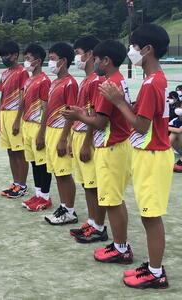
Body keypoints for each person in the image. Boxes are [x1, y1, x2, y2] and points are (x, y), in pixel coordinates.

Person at [99, 24, 172, 289]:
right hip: (149, 153)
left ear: (148, 49)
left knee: (151, 217)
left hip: (152, 154)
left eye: (134, 47)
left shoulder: (153, 83)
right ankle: (153, 267)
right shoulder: (155, 80)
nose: (131, 51)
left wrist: (118, 102)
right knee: (148, 215)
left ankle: (156, 273)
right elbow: (143, 119)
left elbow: (140, 126)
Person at [63, 40, 133, 263]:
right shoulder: (116, 80)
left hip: (112, 146)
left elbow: (101, 122)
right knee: (111, 198)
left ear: (106, 61)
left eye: (96, 59)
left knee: (113, 200)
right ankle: (117, 243)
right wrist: (83, 112)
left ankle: (121, 247)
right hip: (113, 146)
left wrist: (77, 116)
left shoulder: (109, 84)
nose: (93, 63)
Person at [69, 36, 108, 243]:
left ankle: (99, 227)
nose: (76, 57)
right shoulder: (85, 80)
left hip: (89, 138)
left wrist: (86, 142)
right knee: (86, 184)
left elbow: (96, 116)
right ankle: (93, 222)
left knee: (93, 185)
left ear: (91, 54)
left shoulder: (97, 81)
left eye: (78, 52)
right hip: (79, 135)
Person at [37, 42, 78, 225]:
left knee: (64, 172)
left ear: (63, 61)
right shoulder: (55, 83)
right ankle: (63, 206)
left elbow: (71, 113)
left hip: (62, 131)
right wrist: (42, 132)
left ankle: (69, 210)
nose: (50, 63)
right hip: (51, 131)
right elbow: (47, 110)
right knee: (57, 173)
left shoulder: (70, 83)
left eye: (52, 59)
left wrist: (63, 139)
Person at [18, 44, 53, 212]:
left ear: (38, 61)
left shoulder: (45, 80)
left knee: (42, 163)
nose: (25, 62)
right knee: (33, 161)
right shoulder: (29, 79)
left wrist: (41, 132)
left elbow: (46, 108)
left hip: (38, 126)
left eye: (28, 59)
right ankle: (38, 193)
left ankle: (45, 197)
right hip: (27, 125)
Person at [0, 41, 30, 198]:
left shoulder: (22, 72)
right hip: (4, 114)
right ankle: (15, 183)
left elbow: (24, 97)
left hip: (16, 114)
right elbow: (1, 96)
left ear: (15, 55)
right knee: (10, 151)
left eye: (7, 55)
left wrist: (18, 120)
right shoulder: (4, 73)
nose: (4, 58)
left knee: (19, 152)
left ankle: (22, 185)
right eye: (2, 55)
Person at [169, 102, 182, 173]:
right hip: (180, 148)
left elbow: (179, 130)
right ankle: (163, 151)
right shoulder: (176, 120)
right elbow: (165, 126)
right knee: (174, 133)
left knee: (176, 132)